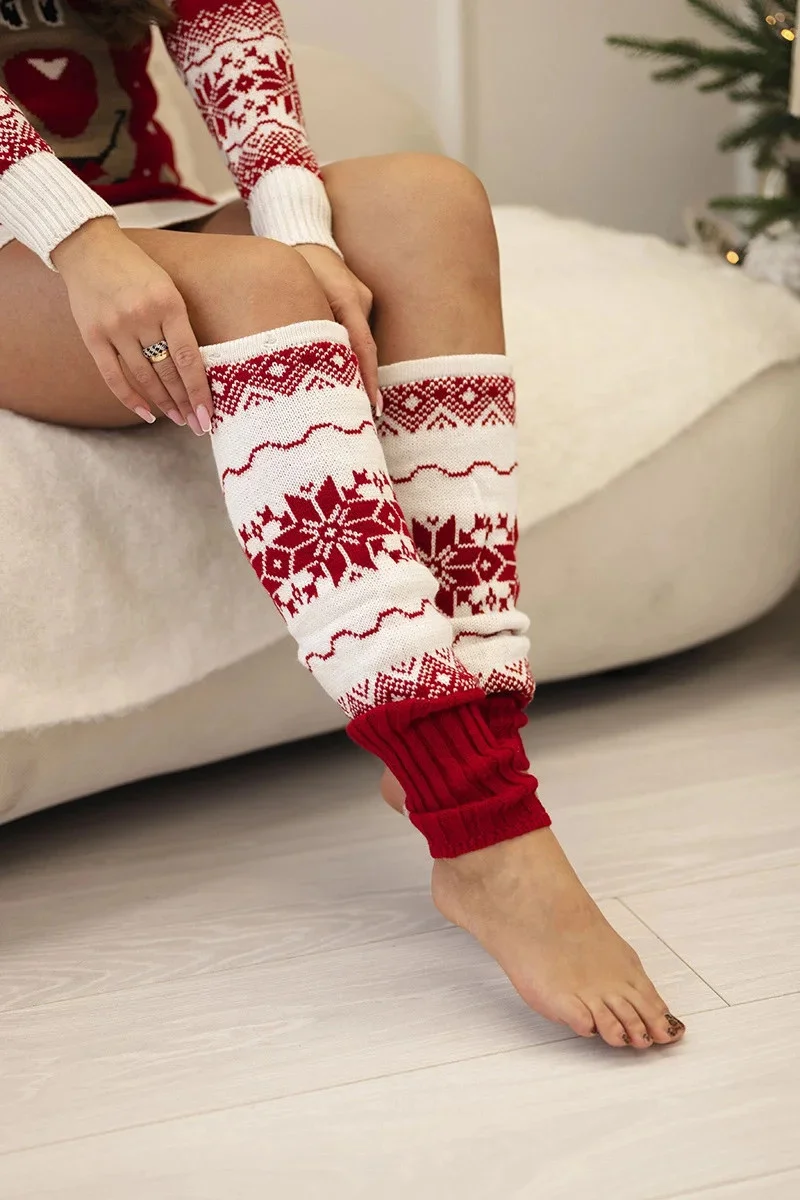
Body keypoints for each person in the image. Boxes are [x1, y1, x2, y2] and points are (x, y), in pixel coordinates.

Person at [0, 0, 685, 1051]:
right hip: (27, 254)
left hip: (151, 221)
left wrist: (300, 234)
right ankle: (483, 829)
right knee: (256, 290)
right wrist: (83, 242)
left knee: (427, 198)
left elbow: (226, 29)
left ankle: (475, 741)